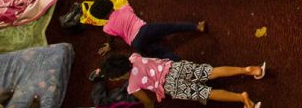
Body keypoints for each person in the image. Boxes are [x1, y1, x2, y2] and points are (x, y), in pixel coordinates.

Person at [95, 52, 266, 108]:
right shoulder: (134, 57)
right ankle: (249, 69)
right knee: (211, 72)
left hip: (170, 86)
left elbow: (148, 102)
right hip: (175, 68)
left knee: (207, 93)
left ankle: (242, 98)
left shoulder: (132, 86)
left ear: (118, 76)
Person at [83, 0, 207, 59]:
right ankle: (196, 27)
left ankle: (181, 65)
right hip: (145, 30)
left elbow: (111, 37)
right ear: (111, 4)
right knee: (171, 27)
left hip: (135, 43)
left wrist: (109, 45)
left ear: (101, 17)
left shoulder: (106, 27)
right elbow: (127, 9)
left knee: (161, 53)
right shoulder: (124, 8)